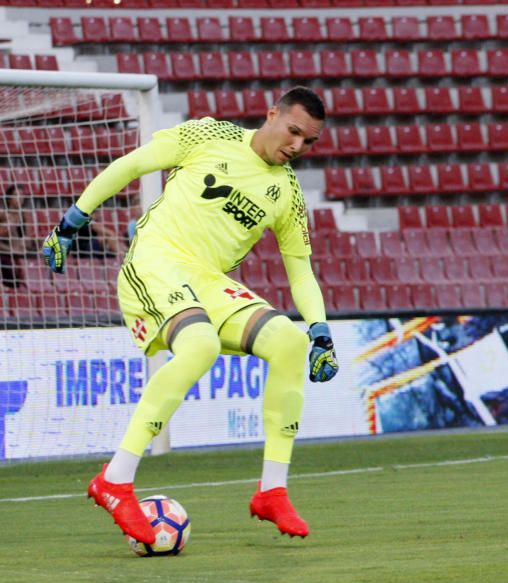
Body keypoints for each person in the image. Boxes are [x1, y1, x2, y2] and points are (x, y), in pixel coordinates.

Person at [41, 87, 339, 543]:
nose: (297, 146)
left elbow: (300, 269)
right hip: (155, 261)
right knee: (199, 345)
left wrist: (319, 329)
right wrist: (73, 220)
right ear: (272, 114)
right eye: (294, 132)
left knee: (290, 342)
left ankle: (272, 491)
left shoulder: (287, 193)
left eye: (309, 142)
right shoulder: (209, 134)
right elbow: (134, 164)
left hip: (206, 280)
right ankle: (115, 480)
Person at [0, 184, 27, 289]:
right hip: (5, 253)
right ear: (9, 198)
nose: (20, 197)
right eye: (16, 195)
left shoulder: (24, 216)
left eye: (21, 194)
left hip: (18, 254)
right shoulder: (3, 214)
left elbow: (26, 238)